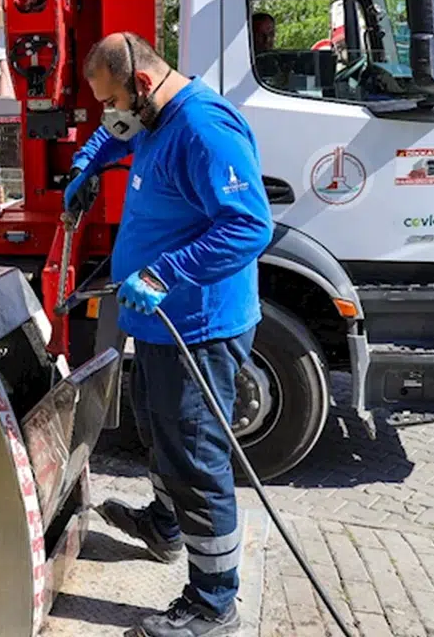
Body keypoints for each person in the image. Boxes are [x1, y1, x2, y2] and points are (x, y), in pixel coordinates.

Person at [63, 32, 274, 637]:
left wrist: (163, 273)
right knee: (159, 431)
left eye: (113, 100)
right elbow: (113, 135)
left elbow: (248, 226)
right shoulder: (151, 116)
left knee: (196, 461)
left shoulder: (203, 128)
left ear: (143, 83)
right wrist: (84, 165)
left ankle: (213, 605)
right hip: (159, 324)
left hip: (197, 329)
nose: (111, 113)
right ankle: (165, 526)